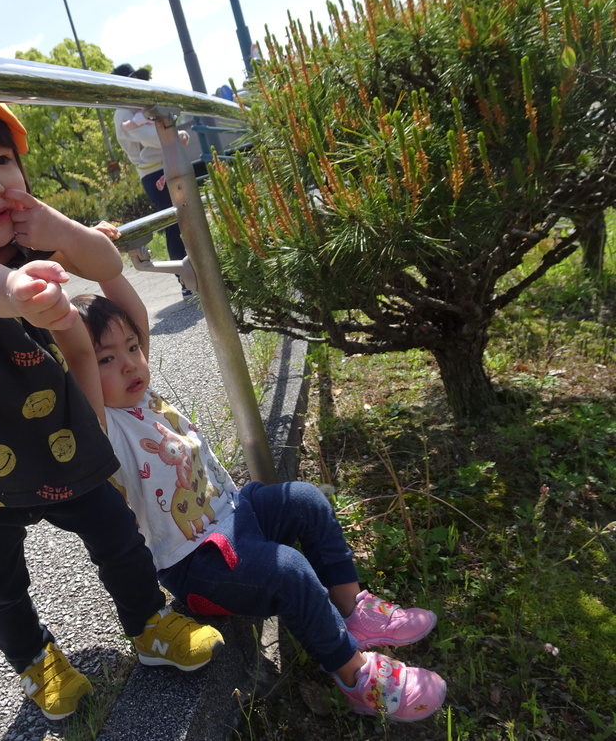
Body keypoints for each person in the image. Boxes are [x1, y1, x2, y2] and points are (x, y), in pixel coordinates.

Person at [0, 98, 224, 722]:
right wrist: (12, 291)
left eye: (3, 158)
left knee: (118, 536)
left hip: (60, 445)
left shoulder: (26, 246)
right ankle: (35, 659)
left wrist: (61, 234)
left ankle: (148, 623)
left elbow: (108, 266)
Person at [55, 269, 448, 722]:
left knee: (306, 499)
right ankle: (355, 675)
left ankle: (353, 610)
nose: (129, 363)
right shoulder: (104, 427)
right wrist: (50, 301)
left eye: (132, 348)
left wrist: (90, 253)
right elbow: (79, 356)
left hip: (237, 513)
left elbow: (132, 311)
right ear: (80, 371)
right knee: (289, 570)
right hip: (197, 561)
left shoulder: (142, 396)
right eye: (105, 359)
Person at [111, 63, 193, 298]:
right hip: (154, 171)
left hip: (168, 164)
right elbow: (152, 138)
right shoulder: (123, 113)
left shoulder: (137, 108)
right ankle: (186, 279)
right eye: (132, 80)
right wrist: (177, 136)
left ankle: (196, 272)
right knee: (175, 224)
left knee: (187, 219)